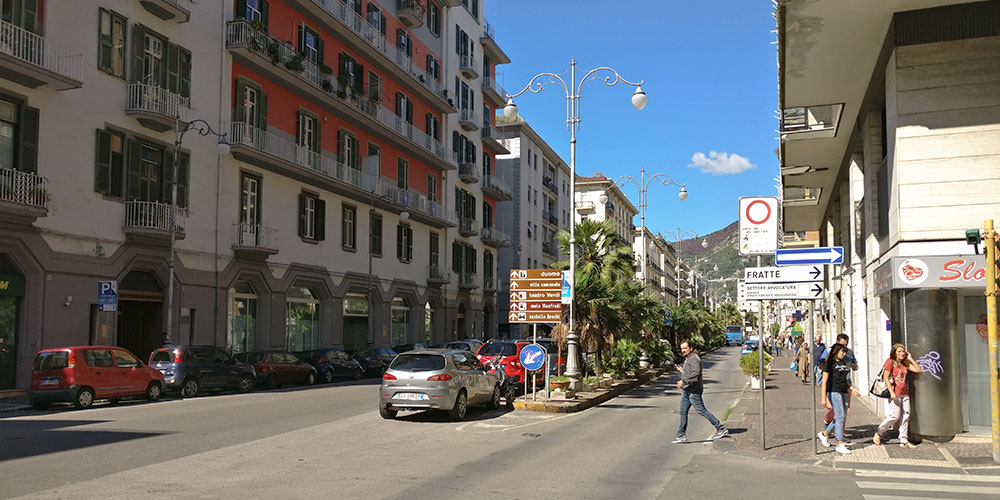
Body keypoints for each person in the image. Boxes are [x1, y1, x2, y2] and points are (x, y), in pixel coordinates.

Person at [672, 340, 728, 443]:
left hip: (694, 390)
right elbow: (690, 372)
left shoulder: (694, 358)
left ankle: (720, 428)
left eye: (685, 348)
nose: (683, 350)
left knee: (702, 410)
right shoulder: (688, 359)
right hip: (687, 390)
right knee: (683, 411)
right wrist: (682, 371)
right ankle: (681, 435)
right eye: (682, 349)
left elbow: (696, 373)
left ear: (691, 348)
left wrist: (683, 381)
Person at [874, 343, 922, 448]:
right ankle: (879, 432)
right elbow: (886, 377)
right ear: (894, 353)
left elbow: (918, 370)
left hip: (904, 393)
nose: (901, 353)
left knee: (906, 416)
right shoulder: (890, 362)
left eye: (903, 351)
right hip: (895, 393)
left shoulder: (905, 363)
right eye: (899, 351)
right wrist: (891, 392)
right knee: (894, 416)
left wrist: (910, 359)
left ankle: (904, 440)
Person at [818, 343, 859, 454]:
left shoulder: (843, 362)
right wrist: (823, 397)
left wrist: (852, 388)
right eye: (842, 351)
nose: (844, 354)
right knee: (840, 415)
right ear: (836, 351)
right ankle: (840, 443)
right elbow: (824, 381)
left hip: (844, 390)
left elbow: (845, 379)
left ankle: (825, 434)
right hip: (833, 391)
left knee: (842, 416)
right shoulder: (829, 363)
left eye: (845, 351)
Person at [820, 334, 858, 425]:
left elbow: (855, 366)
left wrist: (854, 366)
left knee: (845, 410)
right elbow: (821, 365)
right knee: (830, 408)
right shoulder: (829, 350)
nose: (844, 347)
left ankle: (840, 433)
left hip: (846, 383)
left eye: (846, 345)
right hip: (832, 384)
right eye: (842, 345)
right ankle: (828, 422)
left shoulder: (849, 352)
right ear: (837, 342)